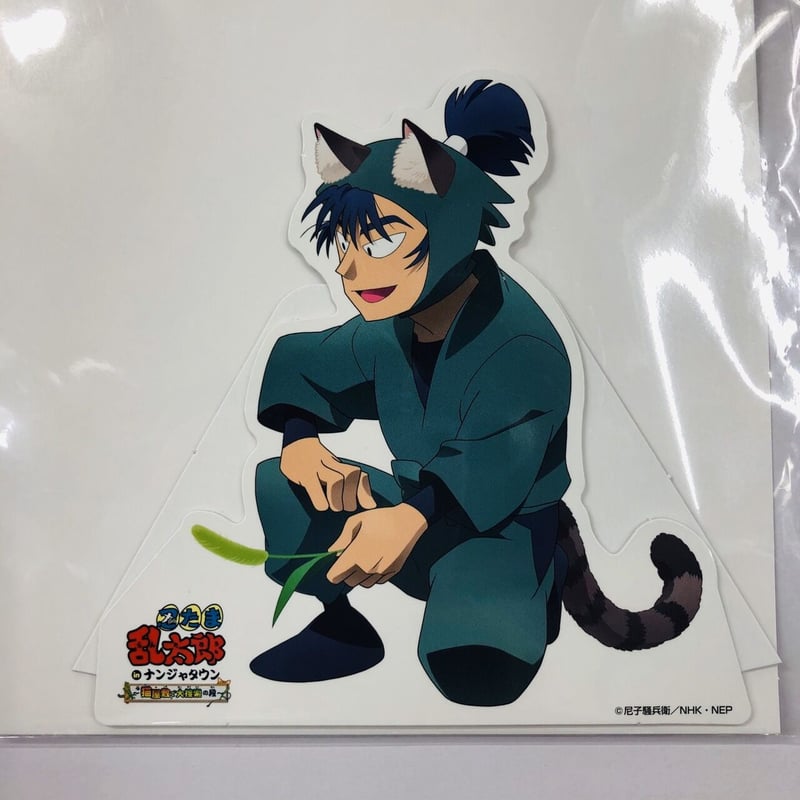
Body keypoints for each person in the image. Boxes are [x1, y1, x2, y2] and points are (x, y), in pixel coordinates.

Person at [249, 80, 572, 707]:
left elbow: (493, 463)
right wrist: (300, 441)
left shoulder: (520, 343)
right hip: (409, 515)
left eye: (381, 241)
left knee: (475, 676)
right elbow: (308, 364)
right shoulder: (391, 329)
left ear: (448, 226)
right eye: (346, 244)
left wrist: (409, 517)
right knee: (281, 482)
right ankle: (340, 625)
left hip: (498, 533)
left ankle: (539, 587)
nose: (349, 268)